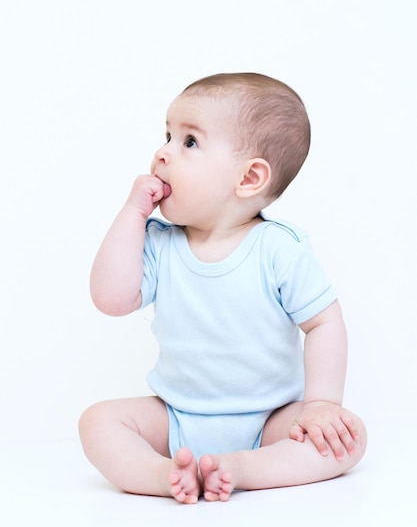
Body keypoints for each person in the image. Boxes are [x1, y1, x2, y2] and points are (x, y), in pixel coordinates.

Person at [79, 72, 367, 504]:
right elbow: (111, 299)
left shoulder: (278, 249)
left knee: (351, 437)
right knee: (97, 421)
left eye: (189, 142)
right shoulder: (161, 241)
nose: (162, 152)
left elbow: (324, 322)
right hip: (176, 416)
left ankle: (245, 468)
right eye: (168, 135)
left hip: (270, 419)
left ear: (249, 178)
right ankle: (162, 475)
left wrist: (321, 403)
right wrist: (132, 214)